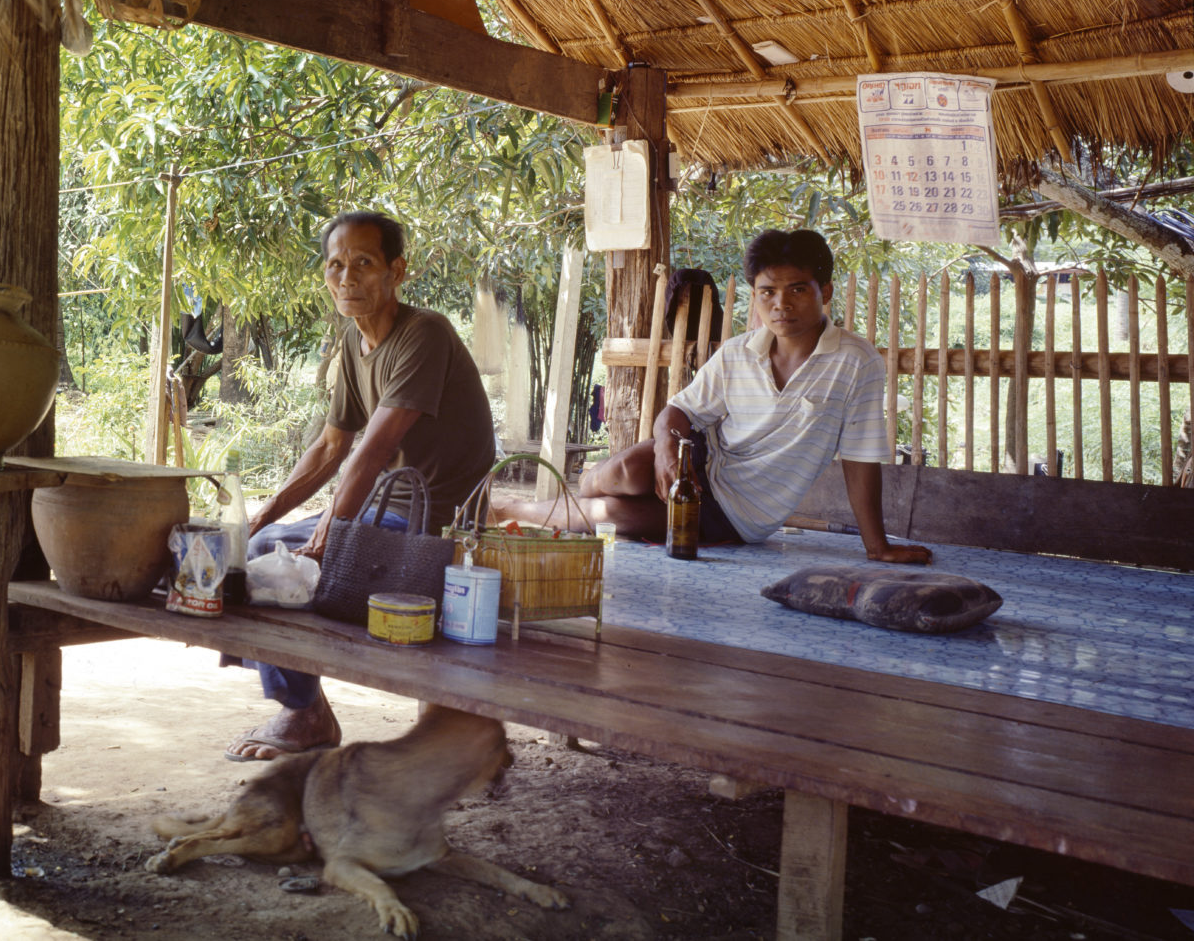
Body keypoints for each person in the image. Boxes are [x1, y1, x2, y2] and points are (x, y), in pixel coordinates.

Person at [225, 211, 496, 762]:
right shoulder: (354, 340)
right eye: (335, 266)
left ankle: (302, 716)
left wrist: (331, 532)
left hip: (432, 524)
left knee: (296, 573)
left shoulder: (425, 334)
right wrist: (260, 517)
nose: (346, 278)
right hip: (381, 515)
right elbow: (331, 448)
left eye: (363, 264)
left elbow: (371, 451)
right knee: (255, 551)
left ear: (396, 271)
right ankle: (307, 711)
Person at [499, 229, 931, 565]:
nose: (780, 304)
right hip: (698, 460)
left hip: (736, 511)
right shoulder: (737, 352)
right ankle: (573, 498)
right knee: (626, 472)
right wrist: (668, 454)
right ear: (756, 296)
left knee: (612, 515)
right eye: (767, 292)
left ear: (826, 291)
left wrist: (877, 546)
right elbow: (678, 412)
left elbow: (859, 460)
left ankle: (508, 508)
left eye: (797, 289)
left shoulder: (857, 363)